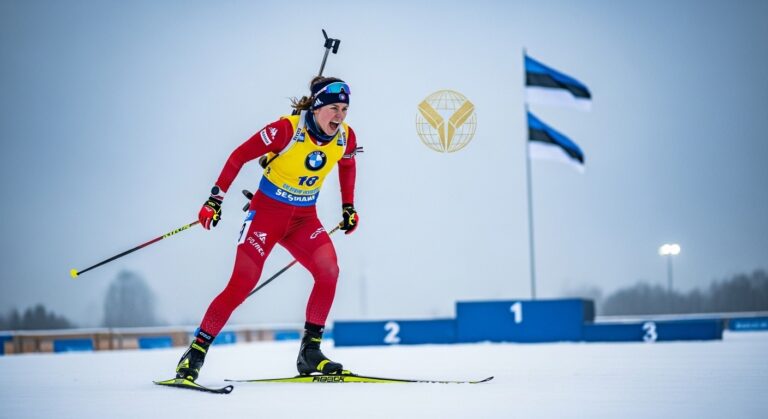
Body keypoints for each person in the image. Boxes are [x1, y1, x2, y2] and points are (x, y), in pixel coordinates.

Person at [174, 76, 360, 381]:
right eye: (333, 108)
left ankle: (310, 353)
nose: (339, 116)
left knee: (329, 271)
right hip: (267, 215)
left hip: (304, 218)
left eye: (344, 109)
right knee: (242, 283)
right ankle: (195, 353)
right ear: (316, 107)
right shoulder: (286, 129)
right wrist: (214, 199)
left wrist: (348, 207)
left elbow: (348, 165)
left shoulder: (346, 138)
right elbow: (238, 156)